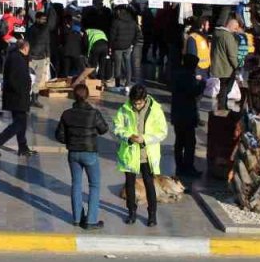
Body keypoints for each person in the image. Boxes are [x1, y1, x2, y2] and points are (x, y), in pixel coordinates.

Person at [113, 84, 168, 227]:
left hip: (147, 154)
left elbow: (162, 132)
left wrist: (145, 138)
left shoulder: (155, 110)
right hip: (130, 154)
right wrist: (128, 136)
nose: (136, 105)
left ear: (145, 99)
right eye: (134, 103)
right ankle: (131, 212)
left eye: (139, 103)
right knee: (129, 184)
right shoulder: (124, 109)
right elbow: (117, 128)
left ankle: (152, 215)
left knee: (149, 184)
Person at [56, 82, 109, 229]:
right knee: (94, 185)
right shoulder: (93, 113)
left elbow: (59, 135)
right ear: (87, 96)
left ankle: (77, 218)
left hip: (73, 153)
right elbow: (104, 129)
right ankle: (91, 220)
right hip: (89, 152)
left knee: (76, 184)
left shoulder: (66, 114)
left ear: (74, 96)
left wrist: (71, 140)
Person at [0, 39, 35, 158]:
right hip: (17, 97)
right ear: (25, 48)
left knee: (21, 123)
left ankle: (23, 147)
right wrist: (24, 91)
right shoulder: (17, 59)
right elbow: (15, 80)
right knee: (18, 124)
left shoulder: (16, 57)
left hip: (17, 96)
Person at [170, 53, 205, 176]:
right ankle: (188, 167)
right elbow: (193, 92)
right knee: (190, 142)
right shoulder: (188, 77)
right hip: (187, 115)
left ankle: (180, 166)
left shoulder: (177, 74)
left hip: (177, 114)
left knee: (179, 142)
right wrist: (202, 85)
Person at [26, 5, 57, 106]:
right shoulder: (31, 30)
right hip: (32, 57)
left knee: (38, 79)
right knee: (29, 78)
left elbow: (47, 43)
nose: (44, 21)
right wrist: (29, 57)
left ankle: (34, 98)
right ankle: (26, 97)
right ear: (37, 19)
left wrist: (48, 56)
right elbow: (28, 44)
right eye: (42, 19)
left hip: (42, 57)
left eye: (45, 19)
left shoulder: (46, 29)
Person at [211, 16, 241, 112]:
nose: (236, 30)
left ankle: (222, 104)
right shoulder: (228, 36)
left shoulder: (217, 34)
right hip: (227, 66)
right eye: (235, 28)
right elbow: (232, 54)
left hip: (219, 64)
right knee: (225, 88)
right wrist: (237, 66)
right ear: (230, 26)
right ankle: (222, 106)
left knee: (223, 87)